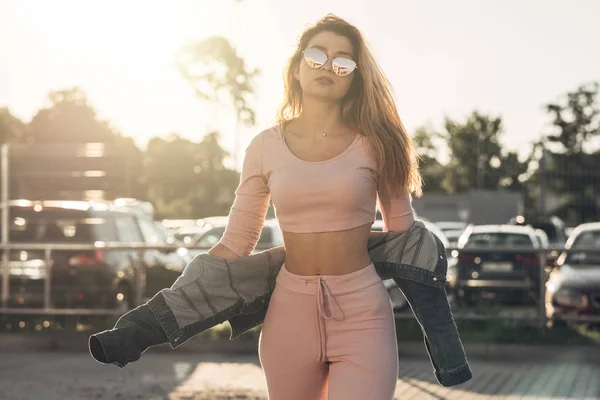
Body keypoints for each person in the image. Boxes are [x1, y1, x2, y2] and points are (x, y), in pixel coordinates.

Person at [207, 14, 422, 400]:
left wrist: (351, 241)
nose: (328, 66)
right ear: (296, 68)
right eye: (317, 55)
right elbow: (238, 239)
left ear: (354, 78)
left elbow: (403, 235)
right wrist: (181, 293)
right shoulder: (263, 147)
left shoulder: (379, 143)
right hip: (288, 315)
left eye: (344, 62)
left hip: (363, 314)